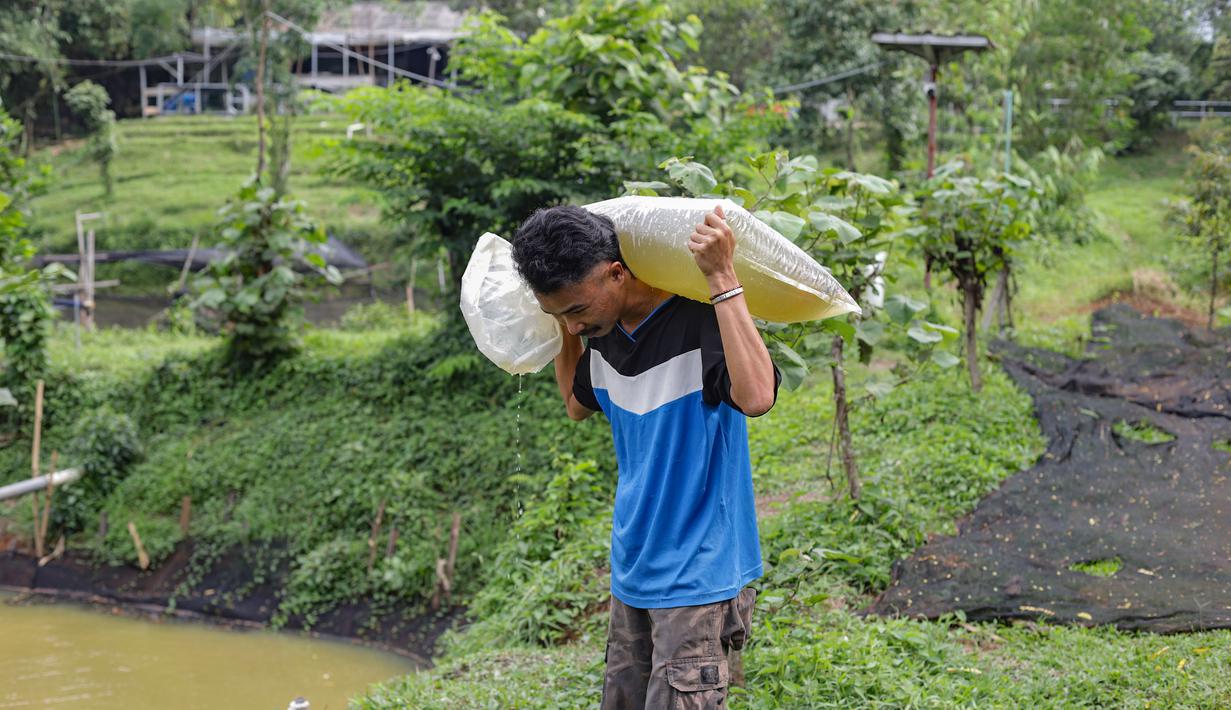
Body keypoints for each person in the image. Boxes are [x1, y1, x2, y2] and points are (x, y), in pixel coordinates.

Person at [511, 203, 780, 709]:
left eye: (576, 310)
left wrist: (722, 276)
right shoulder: (601, 333)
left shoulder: (698, 318)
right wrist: (561, 324)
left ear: (617, 273)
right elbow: (575, 403)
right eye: (558, 315)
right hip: (632, 568)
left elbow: (758, 396)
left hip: (698, 574)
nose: (573, 327)